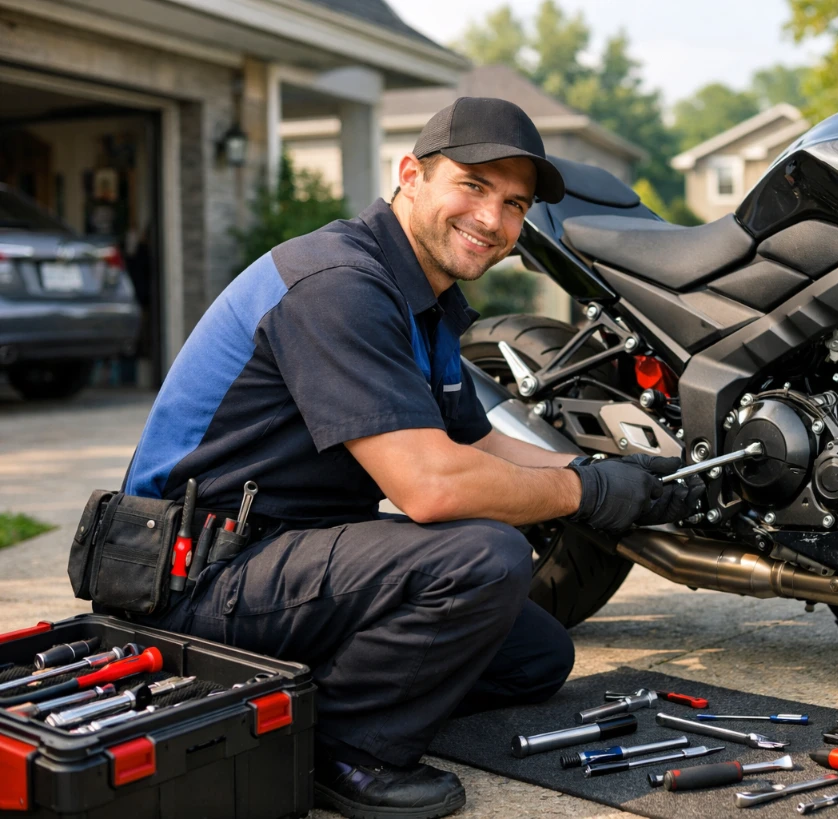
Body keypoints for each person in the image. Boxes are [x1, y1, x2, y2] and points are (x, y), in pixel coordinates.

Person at [121, 97, 699, 819]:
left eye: (514, 204)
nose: (492, 220)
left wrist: (613, 475)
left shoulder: (425, 300)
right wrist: (585, 497)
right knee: (483, 558)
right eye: (474, 186)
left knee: (536, 657)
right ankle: (341, 747)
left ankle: (296, 690)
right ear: (410, 175)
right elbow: (429, 484)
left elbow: (477, 443)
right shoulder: (338, 283)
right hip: (192, 576)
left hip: (278, 557)